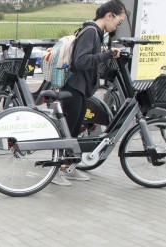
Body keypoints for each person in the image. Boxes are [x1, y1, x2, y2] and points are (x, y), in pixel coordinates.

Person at [51, 0, 125, 186]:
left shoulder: (96, 33)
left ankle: (68, 167)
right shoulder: (91, 32)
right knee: (67, 132)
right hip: (74, 88)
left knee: (74, 131)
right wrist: (107, 55)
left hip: (81, 89)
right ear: (109, 15)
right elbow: (81, 61)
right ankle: (53, 172)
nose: (118, 25)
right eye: (119, 21)